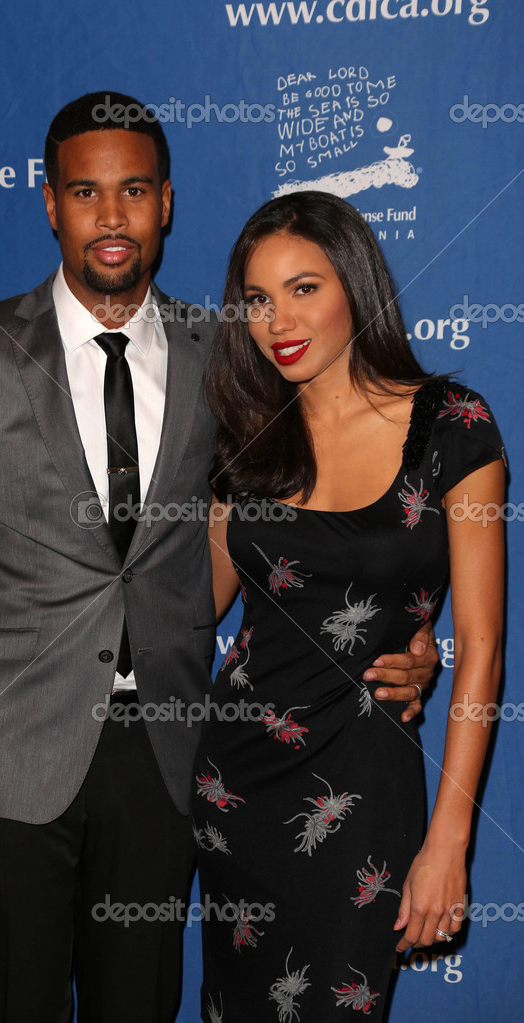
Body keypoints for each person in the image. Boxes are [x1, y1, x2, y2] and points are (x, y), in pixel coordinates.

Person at [0, 95, 436, 1023]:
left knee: (139, 1003)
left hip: (170, 756)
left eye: (134, 191)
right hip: (4, 762)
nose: (111, 215)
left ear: (166, 203)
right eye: (85, 192)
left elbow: (310, 521)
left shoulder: (228, 352)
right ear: (50, 203)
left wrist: (406, 635)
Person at [194, 191, 504, 1022]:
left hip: (364, 791)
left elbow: (480, 646)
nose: (278, 320)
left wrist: (450, 841)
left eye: (303, 288)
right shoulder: (246, 432)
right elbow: (194, 607)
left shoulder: (453, 428)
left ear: (355, 286)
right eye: (257, 298)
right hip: (236, 786)